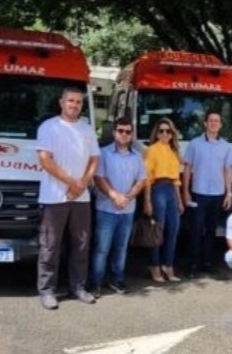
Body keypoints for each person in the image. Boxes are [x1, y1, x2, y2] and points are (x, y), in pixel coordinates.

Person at [35, 86, 101, 309]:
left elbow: (94, 160)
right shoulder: (49, 127)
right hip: (54, 198)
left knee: (81, 245)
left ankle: (78, 287)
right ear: (61, 103)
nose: (74, 105)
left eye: (78, 102)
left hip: (81, 199)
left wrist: (82, 183)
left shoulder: (87, 129)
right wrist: (73, 182)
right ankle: (47, 290)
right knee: (50, 246)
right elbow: (45, 160)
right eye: (70, 101)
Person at [89, 117, 147, 296]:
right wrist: (114, 195)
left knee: (121, 248)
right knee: (101, 249)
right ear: (114, 132)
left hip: (127, 210)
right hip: (106, 209)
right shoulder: (103, 153)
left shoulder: (137, 156)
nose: (124, 134)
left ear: (131, 134)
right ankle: (95, 283)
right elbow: (99, 178)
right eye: (120, 130)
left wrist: (128, 197)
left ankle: (117, 279)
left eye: (128, 131)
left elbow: (141, 180)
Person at [182, 110, 232, 275]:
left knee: (211, 230)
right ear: (205, 123)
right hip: (199, 193)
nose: (213, 123)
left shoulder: (226, 147)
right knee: (196, 230)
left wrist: (229, 193)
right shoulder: (195, 144)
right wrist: (185, 191)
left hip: (217, 194)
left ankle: (207, 262)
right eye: (211, 120)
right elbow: (187, 168)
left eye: (216, 121)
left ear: (220, 125)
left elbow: (227, 170)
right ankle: (192, 265)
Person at [143, 118, 185, 283]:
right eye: (161, 131)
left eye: (168, 131)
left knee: (173, 229)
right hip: (158, 188)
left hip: (171, 190)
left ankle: (168, 265)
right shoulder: (151, 150)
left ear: (172, 134)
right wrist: (147, 200)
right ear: (156, 133)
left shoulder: (174, 152)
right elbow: (147, 177)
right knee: (157, 230)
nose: (165, 134)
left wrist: (180, 200)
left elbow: (176, 179)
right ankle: (154, 265)